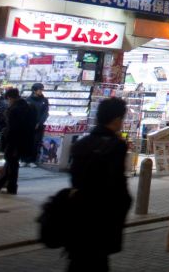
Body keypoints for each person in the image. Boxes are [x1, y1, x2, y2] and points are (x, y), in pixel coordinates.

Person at [67, 97, 131, 271]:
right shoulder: (116, 146)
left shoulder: (81, 144)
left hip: (79, 210)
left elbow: (74, 178)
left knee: (78, 260)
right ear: (117, 119)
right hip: (103, 214)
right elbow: (117, 183)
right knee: (98, 262)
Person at [0, 88, 35, 194]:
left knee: (12, 163)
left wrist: (4, 133)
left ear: (10, 98)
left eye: (8, 99)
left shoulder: (13, 110)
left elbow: (12, 128)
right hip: (25, 140)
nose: (8, 101)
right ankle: (0, 186)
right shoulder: (30, 107)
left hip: (13, 141)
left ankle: (10, 187)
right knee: (12, 163)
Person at [26, 83, 50, 166]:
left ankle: (32, 160)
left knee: (36, 143)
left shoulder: (44, 100)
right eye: (40, 89)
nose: (41, 91)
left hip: (39, 126)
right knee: (27, 142)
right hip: (28, 125)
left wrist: (39, 123)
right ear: (34, 90)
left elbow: (45, 113)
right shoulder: (28, 100)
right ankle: (24, 159)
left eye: (42, 89)